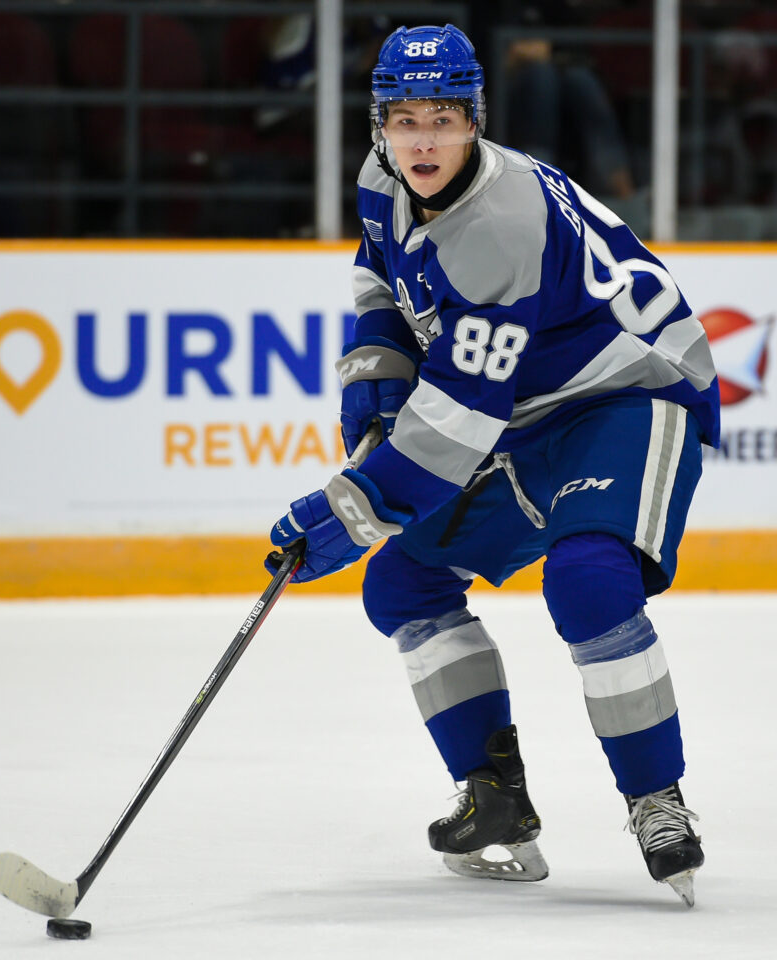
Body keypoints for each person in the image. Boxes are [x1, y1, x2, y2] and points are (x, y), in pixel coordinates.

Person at [266, 23, 720, 907]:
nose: (422, 140)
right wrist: (377, 364)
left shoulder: (501, 225)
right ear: (379, 127)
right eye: (403, 119)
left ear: (475, 120)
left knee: (589, 580)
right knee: (401, 587)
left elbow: (458, 425)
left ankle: (657, 800)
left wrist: (350, 509)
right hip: (525, 413)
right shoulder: (382, 180)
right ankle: (496, 797)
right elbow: (379, 277)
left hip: (628, 391)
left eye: (443, 118)